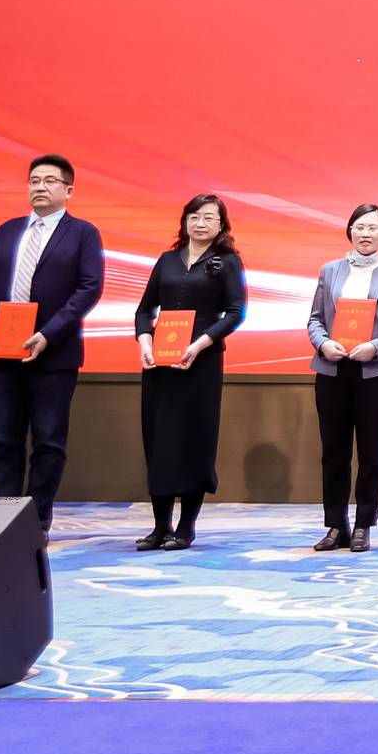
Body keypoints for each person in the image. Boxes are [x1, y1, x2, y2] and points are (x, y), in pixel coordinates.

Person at [0, 154, 105, 532]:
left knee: (48, 442)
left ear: (68, 190)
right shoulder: (8, 230)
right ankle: (5, 518)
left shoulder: (83, 233)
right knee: (3, 440)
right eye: (34, 180)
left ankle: (36, 519)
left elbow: (89, 288)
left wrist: (48, 334)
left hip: (53, 355)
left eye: (49, 181)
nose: (40, 187)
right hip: (1, 354)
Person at [131, 194, 247, 551]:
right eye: (194, 216)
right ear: (184, 221)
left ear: (221, 225)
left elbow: (236, 312)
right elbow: (144, 309)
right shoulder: (167, 260)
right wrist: (145, 341)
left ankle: (186, 525)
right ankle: (160, 525)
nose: (200, 223)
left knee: (195, 438)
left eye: (209, 218)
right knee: (158, 438)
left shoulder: (228, 262)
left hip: (201, 362)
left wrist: (200, 344)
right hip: (161, 363)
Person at [306, 203, 378, 552]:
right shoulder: (330, 271)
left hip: (374, 373)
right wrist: (324, 343)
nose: (366, 234)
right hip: (332, 369)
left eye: (373, 228)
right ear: (350, 231)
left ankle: (364, 524)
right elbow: (315, 320)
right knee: (333, 452)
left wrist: (375, 346)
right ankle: (336, 525)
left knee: (371, 452)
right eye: (360, 227)